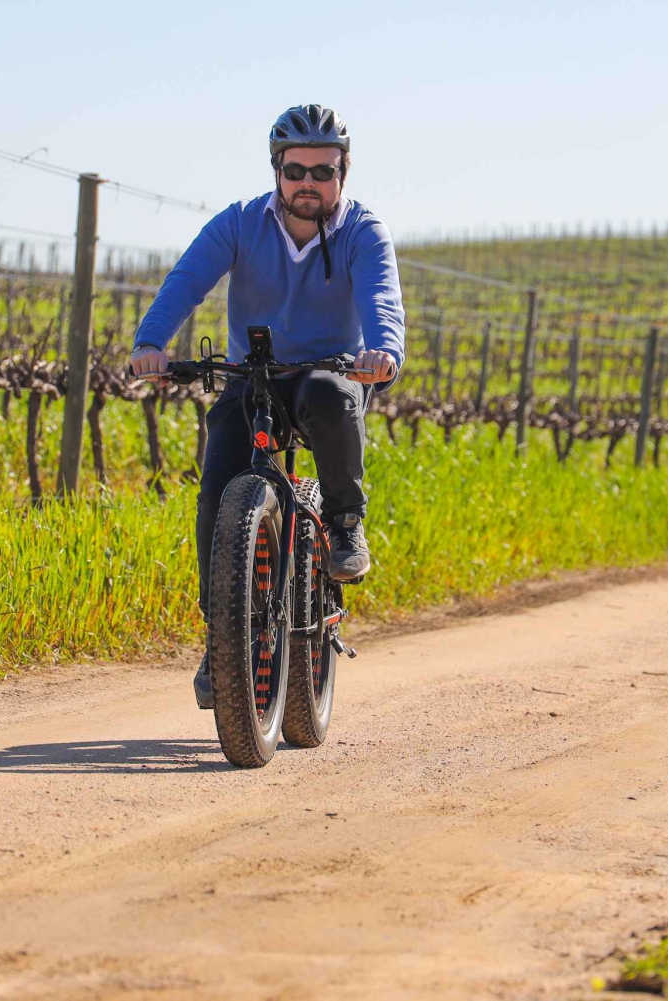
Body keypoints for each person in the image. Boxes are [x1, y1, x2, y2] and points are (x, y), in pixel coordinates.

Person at [129, 104, 404, 708]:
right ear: (277, 169)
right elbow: (186, 280)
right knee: (218, 485)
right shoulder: (239, 223)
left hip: (330, 369)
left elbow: (382, 298)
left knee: (331, 400)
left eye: (323, 171)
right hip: (252, 374)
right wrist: (151, 343)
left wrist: (383, 351)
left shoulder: (362, 231)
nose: (309, 182)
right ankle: (220, 637)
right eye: (296, 169)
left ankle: (345, 525)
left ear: (343, 173)